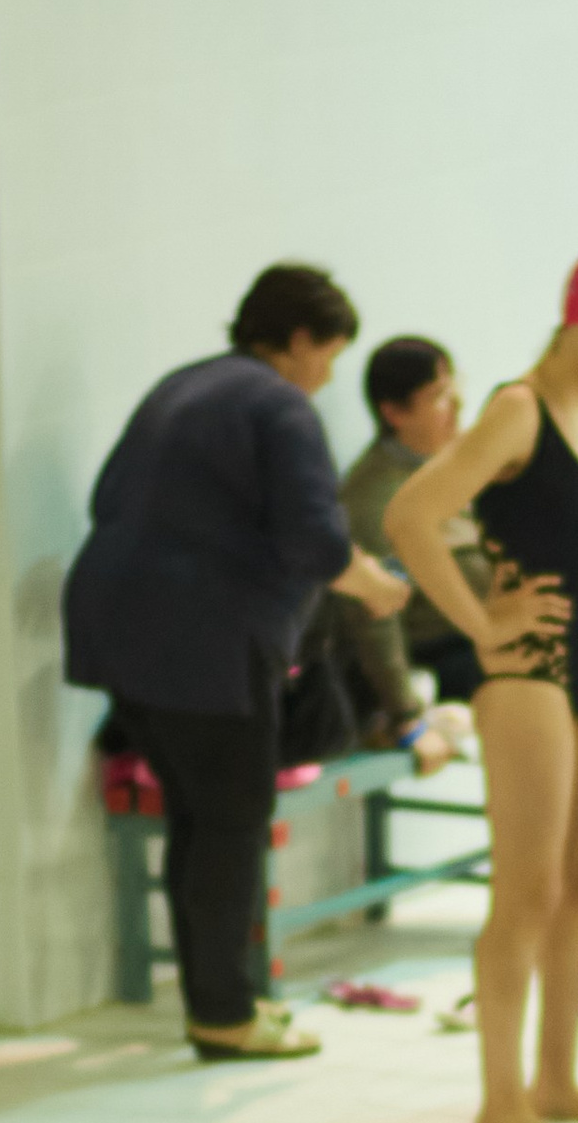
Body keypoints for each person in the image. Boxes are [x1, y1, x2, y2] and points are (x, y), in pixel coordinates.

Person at [63, 264, 410, 1061]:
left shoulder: (186, 384)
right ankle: (224, 1015)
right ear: (296, 341)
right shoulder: (279, 403)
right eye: (327, 356)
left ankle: (220, 1002)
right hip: (199, 638)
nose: (326, 378)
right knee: (228, 823)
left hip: (117, 621)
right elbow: (317, 542)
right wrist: (374, 587)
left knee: (199, 819)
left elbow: (110, 497)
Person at [387, 246, 578, 1123]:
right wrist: (479, 622)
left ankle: (557, 1080)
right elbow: (411, 516)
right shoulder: (517, 409)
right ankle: (498, 1102)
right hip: (528, 666)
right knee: (528, 888)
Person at [310, 336, 487, 734]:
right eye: (439, 394)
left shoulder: (457, 465)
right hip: (442, 657)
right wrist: (406, 717)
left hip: (485, 636)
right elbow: (375, 618)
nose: (457, 403)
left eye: (454, 385)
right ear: (394, 412)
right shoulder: (375, 499)